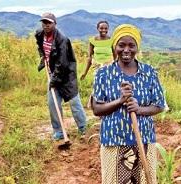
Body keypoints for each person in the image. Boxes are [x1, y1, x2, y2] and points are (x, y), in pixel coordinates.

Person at [92, 24, 165, 183]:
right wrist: (120, 101)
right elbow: (96, 109)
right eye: (121, 45)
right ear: (115, 46)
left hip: (144, 139)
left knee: (144, 179)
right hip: (114, 140)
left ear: (137, 47)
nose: (126, 50)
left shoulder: (149, 72)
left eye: (131, 45)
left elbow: (159, 105)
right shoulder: (103, 73)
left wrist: (139, 109)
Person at [35, 12, 87, 140]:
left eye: (49, 23)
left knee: (74, 102)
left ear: (54, 24)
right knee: (52, 103)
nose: (46, 25)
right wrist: (43, 58)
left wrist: (53, 80)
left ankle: (83, 128)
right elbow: (40, 46)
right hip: (54, 72)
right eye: (44, 22)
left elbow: (62, 63)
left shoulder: (61, 39)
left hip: (67, 74)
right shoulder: (39, 33)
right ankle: (58, 132)